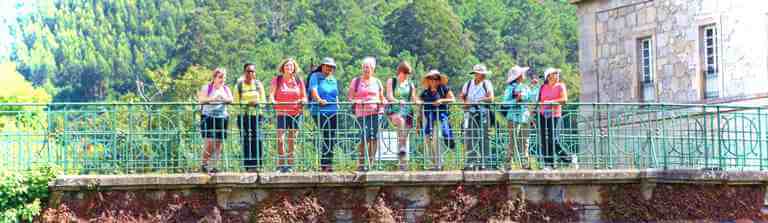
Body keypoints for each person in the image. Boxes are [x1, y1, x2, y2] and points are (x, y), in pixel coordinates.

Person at [349, 57, 387, 172]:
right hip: (361, 113)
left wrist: (384, 101)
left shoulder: (377, 82)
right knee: (363, 137)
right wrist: (358, 101)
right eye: (364, 67)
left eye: (369, 67)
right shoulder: (356, 81)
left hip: (376, 112)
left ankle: (371, 164)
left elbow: (382, 97)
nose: (366, 69)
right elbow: (350, 98)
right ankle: (361, 163)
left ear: (373, 69)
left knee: (374, 137)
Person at [270, 58, 307, 173]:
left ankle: (290, 165)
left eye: (291, 66)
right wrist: (272, 101)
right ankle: (281, 165)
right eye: (286, 66)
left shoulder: (298, 80)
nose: (289, 68)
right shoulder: (277, 79)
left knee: (292, 140)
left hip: (295, 113)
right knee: (280, 139)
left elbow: (304, 96)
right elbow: (271, 94)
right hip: (282, 113)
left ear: (294, 68)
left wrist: (303, 101)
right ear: (283, 67)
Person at [197, 68, 233, 173]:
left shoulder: (226, 89)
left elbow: (231, 99)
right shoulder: (207, 88)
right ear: (214, 78)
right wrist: (213, 98)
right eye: (220, 77)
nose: (222, 79)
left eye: (224, 77)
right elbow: (201, 100)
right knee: (209, 141)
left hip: (222, 117)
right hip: (208, 117)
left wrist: (223, 98)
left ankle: (214, 165)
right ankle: (204, 164)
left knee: (218, 142)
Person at [460, 64, 495, 170]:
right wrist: (466, 103)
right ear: (476, 74)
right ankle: (471, 161)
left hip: (483, 112)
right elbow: (462, 97)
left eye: (484, 74)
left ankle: (485, 162)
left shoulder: (487, 83)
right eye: (481, 74)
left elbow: (491, 98)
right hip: (470, 113)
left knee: (484, 137)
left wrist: (478, 101)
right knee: (470, 136)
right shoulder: (468, 84)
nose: (483, 76)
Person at [418, 70, 456, 171]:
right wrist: (419, 121)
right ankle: (434, 163)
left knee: (436, 138)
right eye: (431, 78)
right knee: (427, 141)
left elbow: (453, 99)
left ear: (439, 80)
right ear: (428, 80)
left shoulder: (443, 89)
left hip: (440, 117)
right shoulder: (425, 92)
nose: (433, 80)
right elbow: (420, 105)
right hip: (428, 119)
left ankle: (439, 163)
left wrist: (441, 100)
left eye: (436, 78)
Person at [308, 57, 339, 172]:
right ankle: (324, 164)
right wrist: (319, 100)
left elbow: (335, 94)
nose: (329, 68)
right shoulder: (315, 77)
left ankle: (328, 163)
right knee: (326, 135)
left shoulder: (333, 79)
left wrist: (337, 104)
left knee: (332, 137)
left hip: (333, 111)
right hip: (319, 110)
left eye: (331, 67)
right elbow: (313, 91)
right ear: (322, 66)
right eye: (327, 66)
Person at [385, 61, 417, 171]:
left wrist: (418, 102)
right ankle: (402, 155)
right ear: (399, 72)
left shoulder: (410, 84)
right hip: (394, 110)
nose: (405, 76)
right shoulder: (392, 81)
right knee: (400, 123)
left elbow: (413, 98)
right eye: (404, 73)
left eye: (407, 74)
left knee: (403, 137)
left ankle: (402, 164)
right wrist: (398, 101)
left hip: (408, 112)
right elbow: (389, 96)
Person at [236, 63, 266, 172]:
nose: (250, 73)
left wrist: (257, 103)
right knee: (246, 140)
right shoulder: (239, 85)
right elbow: (235, 103)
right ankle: (248, 166)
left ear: (255, 73)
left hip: (257, 116)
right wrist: (247, 104)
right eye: (248, 71)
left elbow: (263, 102)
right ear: (244, 72)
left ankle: (258, 164)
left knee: (258, 139)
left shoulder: (258, 85)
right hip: (244, 117)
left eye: (252, 71)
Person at [502, 66, 532, 170]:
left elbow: (531, 98)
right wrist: (516, 100)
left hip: (525, 117)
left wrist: (534, 88)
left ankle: (525, 164)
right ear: (518, 76)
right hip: (513, 117)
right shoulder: (510, 88)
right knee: (512, 141)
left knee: (525, 141)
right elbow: (505, 103)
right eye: (522, 73)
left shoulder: (525, 87)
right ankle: (508, 164)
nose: (524, 75)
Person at [538, 68, 568, 169]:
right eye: (555, 73)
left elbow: (564, 100)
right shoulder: (543, 87)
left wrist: (551, 102)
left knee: (553, 139)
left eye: (557, 73)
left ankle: (568, 158)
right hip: (543, 115)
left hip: (555, 115)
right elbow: (539, 101)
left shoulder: (560, 86)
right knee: (543, 140)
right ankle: (548, 164)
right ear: (549, 76)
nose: (557, 74)